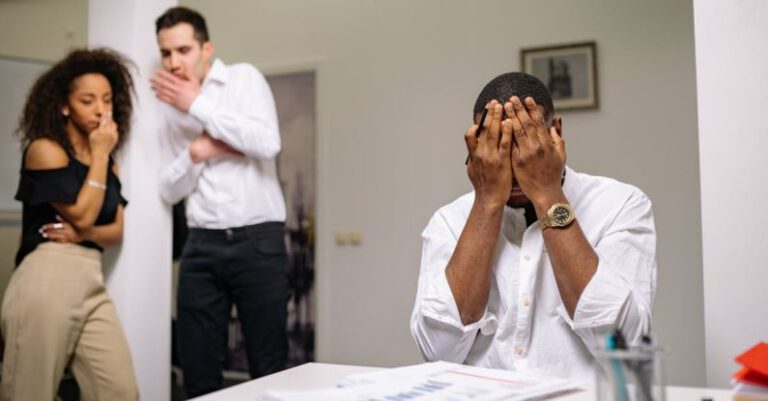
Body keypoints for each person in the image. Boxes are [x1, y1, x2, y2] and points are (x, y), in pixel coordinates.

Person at [410, 72, 656, 380]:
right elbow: (438, 352)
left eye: (524, 139)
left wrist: (546, 192)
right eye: (493, 141)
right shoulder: (448, 221)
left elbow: (624, 344)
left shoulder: (620, 204)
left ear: (556, 133)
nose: (511, 161)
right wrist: (487, 202)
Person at [150, 6, 289, 397]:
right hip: (201, 246)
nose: (174, 62)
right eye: (165, 53)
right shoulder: (164, 106)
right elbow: (167, 189)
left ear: (206, 48)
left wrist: (197, 105)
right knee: (197, 369)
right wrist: (198, 153)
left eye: (183, 50)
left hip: (258, 241)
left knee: (269, 367)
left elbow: (266, 143)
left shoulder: (244, 79)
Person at [1, 48, 138, 401]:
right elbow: (83, 213)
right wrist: (101, 155)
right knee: (30, 393)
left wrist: (84, 234)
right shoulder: (45, 150)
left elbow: (114, 231)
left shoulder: (109, 165)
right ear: (64, 105)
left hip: (90, 281)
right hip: (46, 277)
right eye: (87, 100)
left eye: (107, 100)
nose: (100, 109)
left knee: (121, 391)